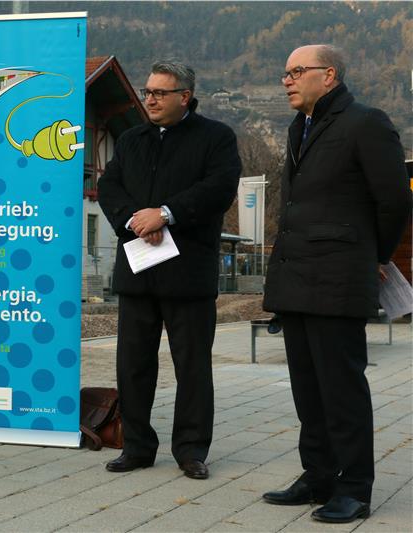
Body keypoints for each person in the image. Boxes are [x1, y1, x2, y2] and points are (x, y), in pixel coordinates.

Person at [262, 45, 411, 523]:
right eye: (285, 73)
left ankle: (354, 487)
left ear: (328, 75)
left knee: (341, 389)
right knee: (307, 389)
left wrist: (374, 255)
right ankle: (318, 475)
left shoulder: (366, 122)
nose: (286, 80)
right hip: (296, 276)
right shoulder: (298, 127)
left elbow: (395, 201)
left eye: (296, 71)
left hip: (338, 276)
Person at [98, 61, 241, 479]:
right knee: (133, 366)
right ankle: (137, 447)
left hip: (188, 274)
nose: (150, 99)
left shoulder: (216, 137)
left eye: (160, 93)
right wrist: (135, 220)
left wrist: (165, 213)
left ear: (185, 96)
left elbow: (219, 188)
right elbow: (109, 187)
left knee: (192, 367)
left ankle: (191, 450)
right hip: (138, 269)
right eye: (147, 92)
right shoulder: (131, 139)